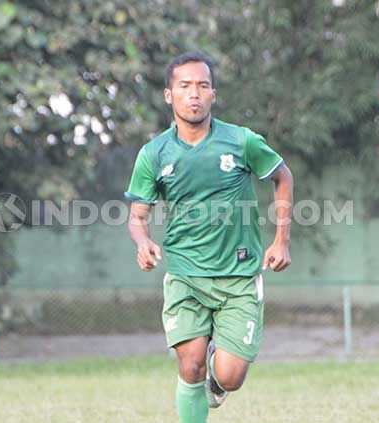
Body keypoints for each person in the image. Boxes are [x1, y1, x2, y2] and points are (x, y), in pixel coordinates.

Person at [125, 51, 293, 423]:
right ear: (169, 95)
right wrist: (143, 242)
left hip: (239, 274)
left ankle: (218, 384)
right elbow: (137, 216)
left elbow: (283, 176)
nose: (194, 94)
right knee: (191, 366)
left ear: (213, 94)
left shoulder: (242, 141)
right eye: (184, 86)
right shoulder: (154, 154)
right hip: (185, 275)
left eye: (202, 86)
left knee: (231, 376)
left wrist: (281, 240)